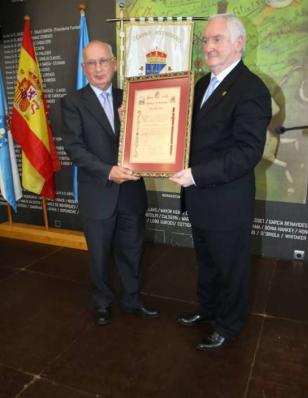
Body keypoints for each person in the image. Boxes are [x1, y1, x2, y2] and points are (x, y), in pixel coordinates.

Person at [170, 14, 272, 350]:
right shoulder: (201, 84)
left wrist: (196, 175)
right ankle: (208, 310)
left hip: (227, 202)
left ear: (238, 43)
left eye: (218, 40)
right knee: (208, 264)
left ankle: (228, 325)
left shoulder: (251, 89)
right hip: (199, 199)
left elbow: (247, 153)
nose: (209, 47)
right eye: (206, 40)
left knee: (231, 268)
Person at [61, 40, 159, 325]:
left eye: (103, 61)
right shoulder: (72, 103)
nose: (98, 68)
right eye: (91, 63)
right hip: (99, 192)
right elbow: (75, 149)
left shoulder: (131, 98)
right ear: (84, 69)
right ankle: (102, 301)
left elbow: (148, 139)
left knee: (132, 249)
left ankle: (132, 299)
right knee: (100, 255)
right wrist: (108, 171)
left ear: (114, 64)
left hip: (130, 191)